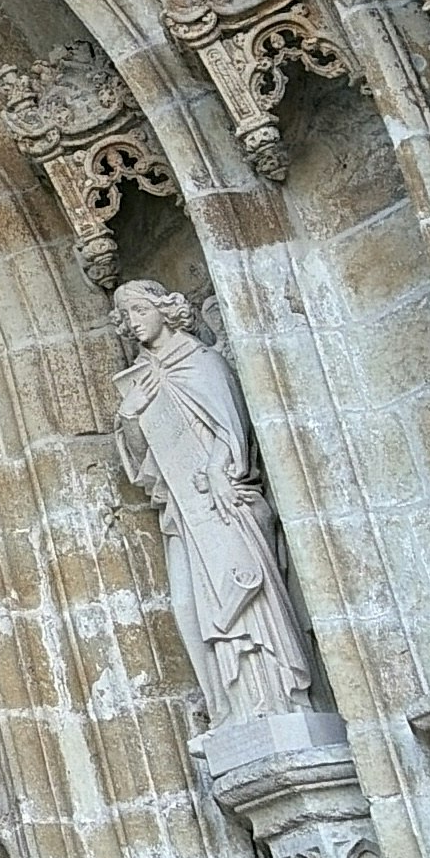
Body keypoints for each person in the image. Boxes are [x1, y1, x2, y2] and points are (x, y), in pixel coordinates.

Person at [109, 281, 316, 726]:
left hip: (222, 501)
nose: (133, 322)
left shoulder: (202, 364)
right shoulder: (141, 380)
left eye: (140, 309)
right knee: (186, 606)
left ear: (166, 309)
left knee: (242, 592)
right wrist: (131, 414)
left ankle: (274, 701)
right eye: (126, 317)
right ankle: (227, 707)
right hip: (182, 512)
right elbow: (141, 461)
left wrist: (222, 471)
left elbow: (231, 426)